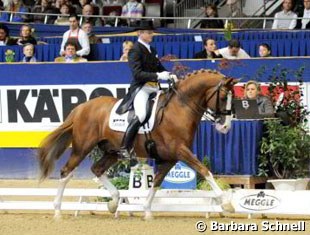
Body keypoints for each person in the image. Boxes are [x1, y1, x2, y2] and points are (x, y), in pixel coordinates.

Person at [116, 20, 174, 159]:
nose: (151, 34)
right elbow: (137, 74)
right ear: (139, 33)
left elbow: (158, 67)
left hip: (154, 88)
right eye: (148, 32)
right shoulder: (135, 50)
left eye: (151, 32)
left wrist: (170, 74)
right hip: (141, 88)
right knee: (141, 114)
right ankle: (124, 147)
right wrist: (158, 75)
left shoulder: (152, 49)